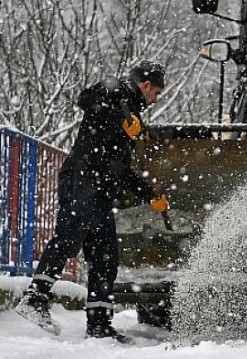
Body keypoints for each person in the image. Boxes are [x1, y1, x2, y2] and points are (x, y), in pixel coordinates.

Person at [14, 60, 169, 343]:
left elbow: (120, 169)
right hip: (81, 179)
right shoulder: (116, 91)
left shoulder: (133, 116)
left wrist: (150, 195)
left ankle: (99, 326)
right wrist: (120, 118)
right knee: (69, 237)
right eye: (156, 93)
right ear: (146, 85)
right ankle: (34, 300)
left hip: (99, 189)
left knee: (105, 258)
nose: (155, 99)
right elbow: (86, 98)